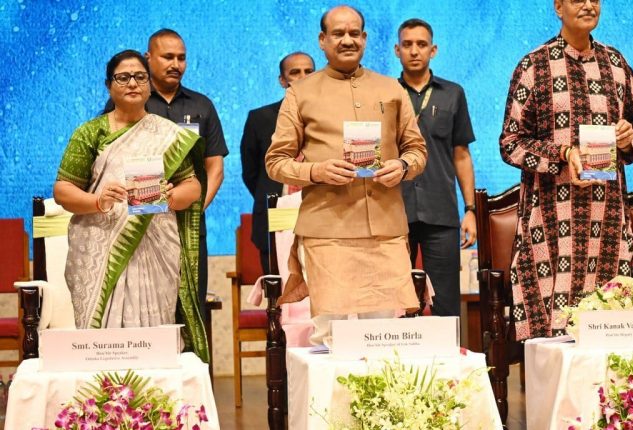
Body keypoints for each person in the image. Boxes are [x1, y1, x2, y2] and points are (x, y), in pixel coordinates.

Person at [265, 5, 427, 345]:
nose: (347, 40)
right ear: (322, 40)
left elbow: (417, 150)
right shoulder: (301, 93)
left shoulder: (391, 89)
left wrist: (402, 166)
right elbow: (275, 162)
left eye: (355, 33)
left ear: (365, 39)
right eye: (338, 33)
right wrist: (317, 171)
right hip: (327, 231)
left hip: (384, 229)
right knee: (330, 338)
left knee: (381, 337)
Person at [500, 0, 633, 340]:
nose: (588, 5)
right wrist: (563, 153)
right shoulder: (534, 65)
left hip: (607, 219)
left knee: (609, 330)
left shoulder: (617, 64)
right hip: (552, 218)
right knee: (551, 335)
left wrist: (628, 138)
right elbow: (511, 143)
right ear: (558, 7)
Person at [54, 50, 209, 362]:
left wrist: (170, 196)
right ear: (109, 85)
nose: (133, 83)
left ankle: (154, 393)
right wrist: (97, 201)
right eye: (123, 77)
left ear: (149, 84)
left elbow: (192, 186)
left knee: (153, 342)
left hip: (156, 248)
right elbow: (62, 191)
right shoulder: (90, 133)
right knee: (104, 347)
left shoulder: (168, 134)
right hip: (102, 245)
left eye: (140, 77)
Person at [144, 29, 228, 320]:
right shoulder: (132, 103)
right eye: (168, 57)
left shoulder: (201, 105)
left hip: (190, 226)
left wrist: (195, 207)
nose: (175, 64)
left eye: (181, 58)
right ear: (148, 58)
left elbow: (215, 168)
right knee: (146, 310)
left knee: (191, 312)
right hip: (143, 225)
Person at [394, 18, 476, 317]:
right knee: (396, 303)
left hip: (441, 212)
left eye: (421, 44)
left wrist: (470, 210)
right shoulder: (385, 94)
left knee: (446, 302)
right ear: (397, 50)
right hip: (394, 212)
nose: (414, 51)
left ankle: (447, 350)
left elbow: (461, 154)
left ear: (433, 50)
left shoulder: (453, 93)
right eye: (407, 44)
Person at [240, 52, 315, 274]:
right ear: (282, 80)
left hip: (318, 212)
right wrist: (276, 197)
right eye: (295, 72)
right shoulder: (260, 118)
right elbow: (251, 172)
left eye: (309, 71)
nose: (303, 77)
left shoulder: (329, 117)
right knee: (278, 287)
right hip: (278, 212)